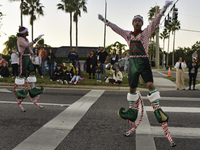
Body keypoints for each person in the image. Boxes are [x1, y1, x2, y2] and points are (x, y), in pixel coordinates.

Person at [98, 0, 172, 126]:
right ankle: (132, 112)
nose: (137, 22)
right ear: (133, 23)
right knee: (132, 87)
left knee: (149, 84)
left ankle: (158, 110)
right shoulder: (128, 35)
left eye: (139, 21)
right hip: (132, 62)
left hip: (143, 61)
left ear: (142, 24)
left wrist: (165, 7)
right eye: (135, 21)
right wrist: (105, 21)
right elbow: (117, 28)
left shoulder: (146, 33)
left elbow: (155, 21)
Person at [15, 26, 44, 99]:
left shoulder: (26, 39)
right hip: (23, 57)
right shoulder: (20, 39)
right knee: (22, 74)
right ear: (24, 32)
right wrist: (36, 40)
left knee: (32, 71)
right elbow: (27, 45)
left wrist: (32, 54)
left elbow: (28, 48)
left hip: (27, 57)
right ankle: (20, 91)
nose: (28, 32)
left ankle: (33, 89)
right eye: (27, 31)